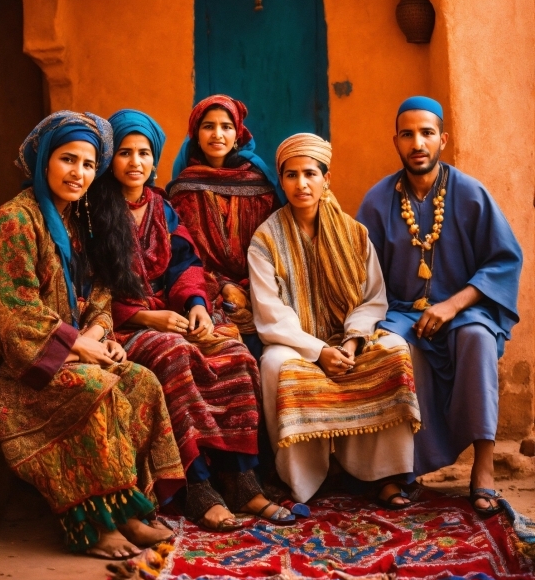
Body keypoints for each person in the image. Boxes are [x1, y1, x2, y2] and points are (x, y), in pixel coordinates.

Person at [0, 111, 185, 559]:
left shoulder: (77, 222)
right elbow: (13, 311)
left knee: (140, 381)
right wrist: (78, 347)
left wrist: (99, 333)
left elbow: (97, 290)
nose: (79, 173)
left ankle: (127, 509)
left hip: (62, 348)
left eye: (88, 164)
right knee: (94, 388)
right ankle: (93, 525)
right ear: (44, 162)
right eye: (67, 160)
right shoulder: (14, 222)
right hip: (5, 365)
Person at [90, 109, 296, 530]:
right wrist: (148, 317)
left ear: (155, 158)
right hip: (123, 324)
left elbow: (185, 264)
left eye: (144, 153)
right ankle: (196, 485)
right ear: (110, 159)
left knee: (234, 353)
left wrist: (198, 305)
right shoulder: (92, 213)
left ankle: (242, 478)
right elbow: (89, 289)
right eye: (125, 153)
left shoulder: (161, 207)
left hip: (171, 314)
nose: (135, 162)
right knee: (176, 356)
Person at [357, 96, 523, 517]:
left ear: (442, 139)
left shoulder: (469, 193)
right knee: (391, 348)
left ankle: (483, 469)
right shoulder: (378, 201)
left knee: (476, 338)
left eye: (427, 133)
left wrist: (452, 306)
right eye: (408, 134)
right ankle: (398, 470)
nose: (418, 142)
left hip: (465, 309)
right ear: (395, 140)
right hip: (399, 311)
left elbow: (504, 260)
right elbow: (361, 274)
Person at [248, 133, 421, 505]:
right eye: (291, 175)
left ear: (327, 178)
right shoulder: (266, 239)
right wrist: (318, 351)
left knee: (394, 349)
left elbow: (373, 297)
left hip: (348, 338)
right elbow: (270, 313)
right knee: (277, 364)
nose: (301, 183)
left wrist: (352, 341)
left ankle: (384, 476)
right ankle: (304, 481)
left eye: (310, 173)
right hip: (297, 343)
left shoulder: (354, 234)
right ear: (281, 181)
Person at [168, 95, 282, 362]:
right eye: (208, 126)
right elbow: (183, 255)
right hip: (206, 291)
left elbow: (275, 246)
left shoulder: (262, 187)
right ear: (196, 134)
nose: (217, 134)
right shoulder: (182, 191)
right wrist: (223, 286)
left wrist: (251, 287)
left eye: (226, 126)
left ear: (238, 133)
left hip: (261, 286)